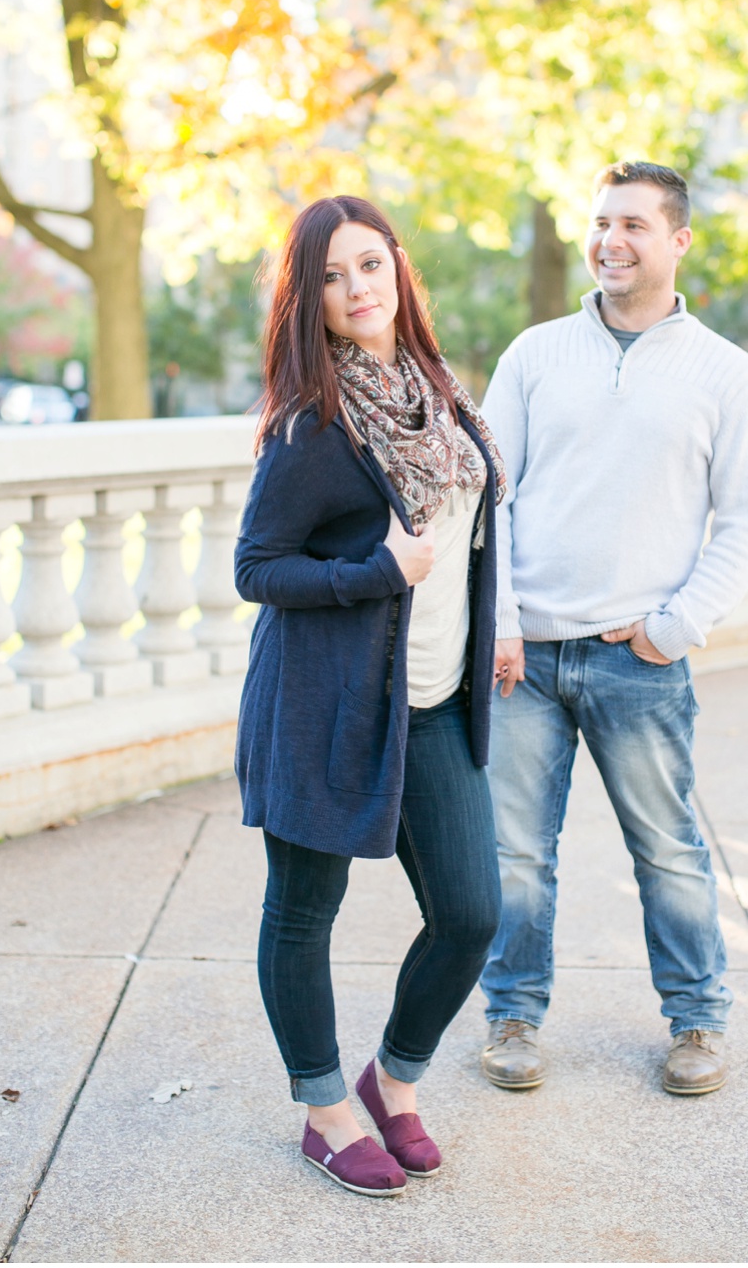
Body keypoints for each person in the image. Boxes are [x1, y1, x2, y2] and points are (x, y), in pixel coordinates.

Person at [477, 161, 748, 1098]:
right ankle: (513, 1014)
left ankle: (697, 1022)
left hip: (637, 658)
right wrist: (501, 623)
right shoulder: (534, 354)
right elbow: (489, 497)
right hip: (525, 658)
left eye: (635, 225)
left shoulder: (725, 373)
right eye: (602, 221)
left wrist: (673, 628)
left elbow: (744, 519)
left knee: (669, 849)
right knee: (516, 855)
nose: (611, 239)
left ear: (679, 240)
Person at [234, 196, 510, 1198]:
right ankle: (321, 1107)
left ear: (396, 267)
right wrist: (370, 570)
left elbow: (477, 530)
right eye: (330, 276)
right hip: (322, 703)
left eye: (366, 264)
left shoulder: (436, 391)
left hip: (434, 697)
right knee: (303, 911)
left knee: (472, 912)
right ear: (308, 298)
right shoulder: (312, 424)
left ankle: (389, 1078)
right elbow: (256, 567)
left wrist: (499, 626)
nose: (354, 288)